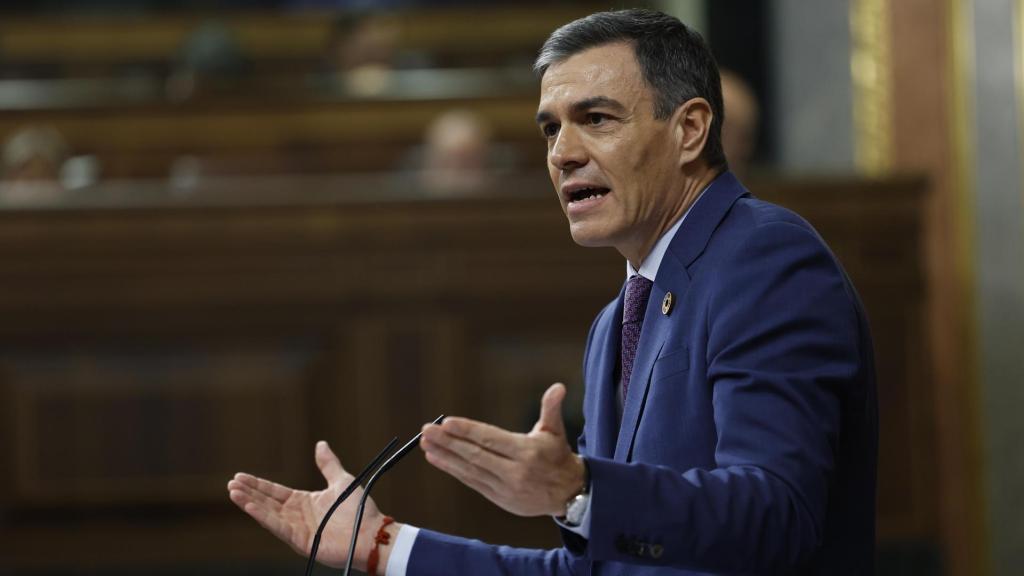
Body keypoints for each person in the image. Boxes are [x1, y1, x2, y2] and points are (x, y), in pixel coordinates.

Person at [227, 9, 877, 575]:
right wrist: (383, 547)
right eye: (550, 129)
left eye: (595, 118)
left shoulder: (763, 257)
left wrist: (579, 489)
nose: (563, 153)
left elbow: (779, 517)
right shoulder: (616, 323)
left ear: (690, 129)